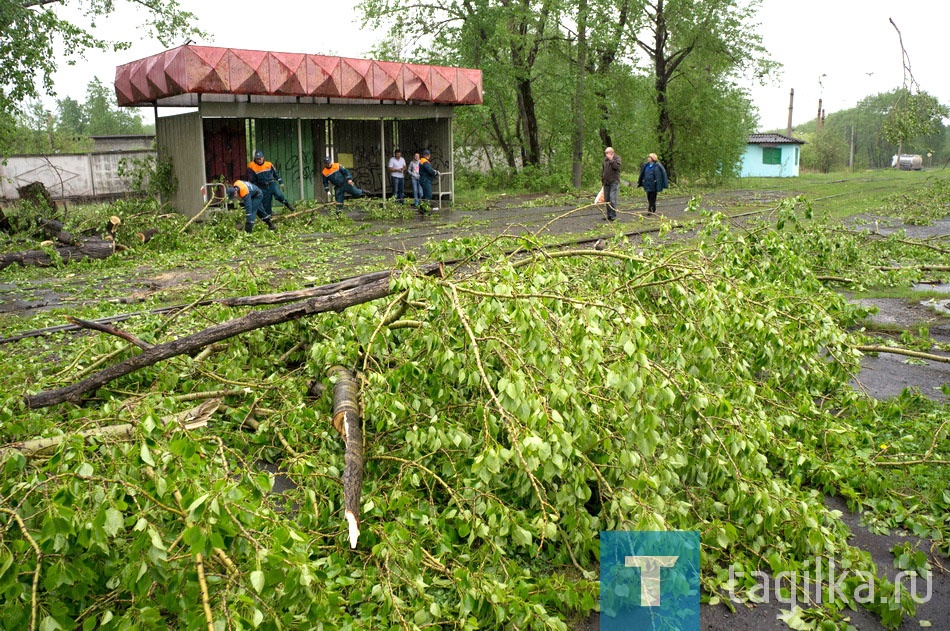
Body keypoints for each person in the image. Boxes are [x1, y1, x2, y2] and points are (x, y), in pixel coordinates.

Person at [247, 150, 294, 215]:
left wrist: (281, 182)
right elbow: (252, 180)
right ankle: (270, 216)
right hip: (262, 187)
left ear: (263, 157)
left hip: (271, 184)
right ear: (255, 158)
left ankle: (286, 203)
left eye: (260, 158)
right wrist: (256, 189)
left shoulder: (268, 164)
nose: (259, 160)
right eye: (257, 159)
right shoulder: (251, 166)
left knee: (279, 195)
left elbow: (275, 173)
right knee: (266, 204)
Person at [601, 146, 622, 221]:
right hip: (606, 182)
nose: (606, 154)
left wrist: (611, 160)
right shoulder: (605, 160)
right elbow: (603, 170)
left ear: (612, 152)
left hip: (614, 182)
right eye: (605, 153)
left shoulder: (617, 158)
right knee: (607, 199)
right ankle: (609, 214)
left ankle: (613, 215)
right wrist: (602, 179)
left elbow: (617, 167)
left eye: (607, 153)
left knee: (612, 198)